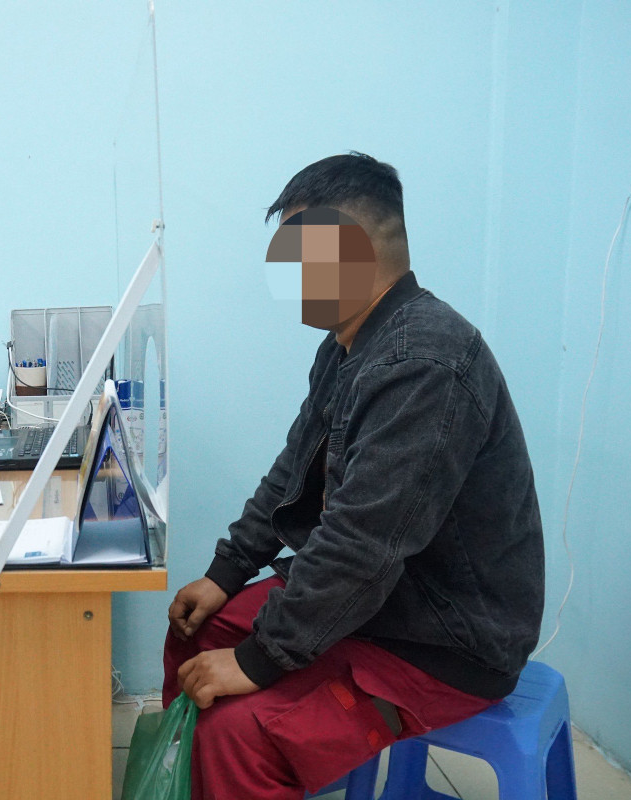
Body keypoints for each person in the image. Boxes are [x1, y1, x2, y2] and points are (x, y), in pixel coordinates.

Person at [164, 153, 544, 799]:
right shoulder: (347, 346)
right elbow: (293, 468)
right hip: (384, 600)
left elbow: (362, 542)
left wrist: (258, 661)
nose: (285, 277)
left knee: (238, 731)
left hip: (443, 638)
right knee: (195, 631)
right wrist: (227, 571)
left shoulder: (423, 363)